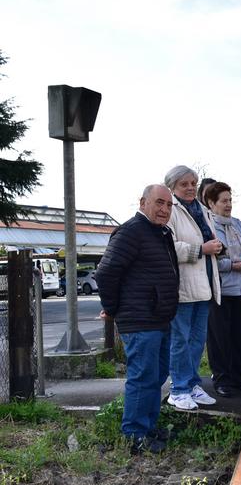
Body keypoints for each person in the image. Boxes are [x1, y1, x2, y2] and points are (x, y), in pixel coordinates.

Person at [96, 184, 179, 454]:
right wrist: (112, 308)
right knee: (143, 378)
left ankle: (148, 427)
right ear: (143, 202)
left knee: (156, 375)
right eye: (159, 203)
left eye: (169, 205)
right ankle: (134, 436)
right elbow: (106, 272)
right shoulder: (132, 231)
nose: (164, 209)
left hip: (158, 319)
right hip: (140, 321)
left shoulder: (159, 233)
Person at [164, 165, 222, 411]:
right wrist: (201, 250)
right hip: (184, 287)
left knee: (197, 340)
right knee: (181, 340)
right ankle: (177, 389)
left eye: (193, 183)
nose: (190, 188)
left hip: (205, 284)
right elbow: (167, 246)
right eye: (184, 184)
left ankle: (192, 384)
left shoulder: (203, 210)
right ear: (172, 187)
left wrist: (216, 248)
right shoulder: (170, 210)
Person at [206, 182, 241, 398]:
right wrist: (231, 265)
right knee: (220, 338)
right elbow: (208, 260)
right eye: (224, 201)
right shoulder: (207, 226)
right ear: (212, 203)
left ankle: (239, 380)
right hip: (220, 291)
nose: (229, 204)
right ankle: (222, 380)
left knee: (240, 337)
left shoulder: (238, 224)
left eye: (230, 200)